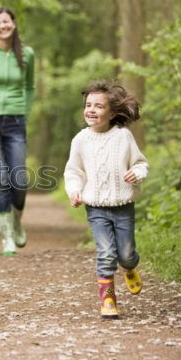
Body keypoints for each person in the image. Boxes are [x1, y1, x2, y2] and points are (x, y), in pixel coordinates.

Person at [64, 79, 148, 319]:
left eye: (99, 106)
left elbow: (141, 163)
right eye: (88, 105)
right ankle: (108, 298)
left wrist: (137, 173)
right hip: (96, 208)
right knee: (106, 253)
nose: (91, 110)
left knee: (126, 254)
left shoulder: (123, 137)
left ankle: (130, 267)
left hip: (123, 207)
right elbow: (74, 171)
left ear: (112, 113)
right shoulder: (81, 139)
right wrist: (74, 190)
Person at [0, 7, 35, 255]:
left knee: (19, 180)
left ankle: (17, 221)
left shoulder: (28, 54)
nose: (2, 26)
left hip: (16, 121)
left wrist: (25, 112)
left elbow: (30, 87)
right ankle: (7, 237)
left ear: (14, 24)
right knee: (1, 180)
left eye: (6, 21)